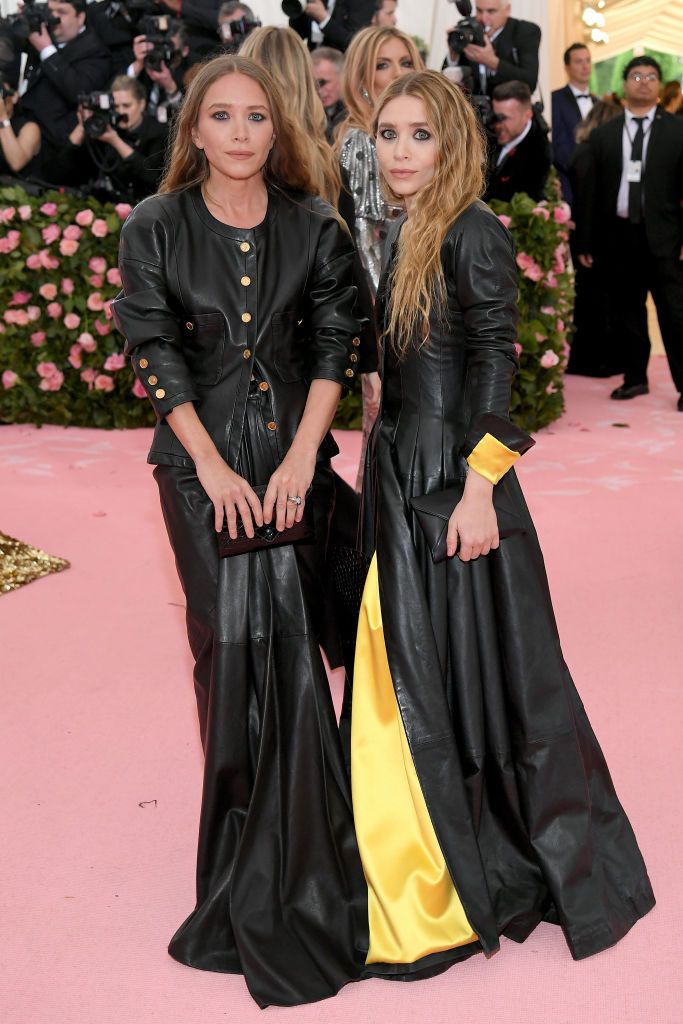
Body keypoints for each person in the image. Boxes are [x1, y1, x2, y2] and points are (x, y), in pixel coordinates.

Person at [350, 67, 655, 983]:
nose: (401, 153)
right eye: (389, 135)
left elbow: (495, 362)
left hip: (454, 475)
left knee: (482, 667)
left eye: (420, 136)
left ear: (452, 145)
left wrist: (480, 490)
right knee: (416, 656)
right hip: (404, 464)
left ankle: (472, 851)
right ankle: (421, 836)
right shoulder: (404, 228)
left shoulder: (472, 230)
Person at [111, 54, 368, 1008]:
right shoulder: (154, 226)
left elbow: (337, 343)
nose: (240, 133)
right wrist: (213, 469)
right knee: (229, 644)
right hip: (198, 467)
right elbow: (155, 350)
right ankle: (234, 863)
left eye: (256, 116)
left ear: (277, 127)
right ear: (194, 130)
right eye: (220, 117)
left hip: (295, 459)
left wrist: (304, 459)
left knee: (298, 648)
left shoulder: (315, 227)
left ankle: (308, 853)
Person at [335, 25, 423, 487]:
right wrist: (378, 322)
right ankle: (381, 543)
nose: (395, 74)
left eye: (405, 62)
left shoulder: (404, 134)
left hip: (413, 295)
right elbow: (366, 241)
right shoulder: (362, 142)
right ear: (361, 76)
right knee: (390, 424)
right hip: (388, 306)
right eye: (383, 64)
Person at [574, 56, 683, 408]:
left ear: (659, 85)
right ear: (625, 84)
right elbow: (592, 191)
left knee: (675, 313)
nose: (644, 82)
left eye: (651, 77)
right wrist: (587, 240)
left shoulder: (677, 131)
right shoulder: (604, 134)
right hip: (618, 237)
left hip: (665, 237)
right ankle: (635, 378)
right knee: (627, 312)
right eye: (636, 75)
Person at [565, 99, 623, 377]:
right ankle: (594, 360)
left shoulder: (585, 150)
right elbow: (587, 200)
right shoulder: (591, 153)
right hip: (592, 237)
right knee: (594, 301)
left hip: (591, 236)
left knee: (594, 300)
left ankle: (597, 358)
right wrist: (585, 244)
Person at [48, 75, 169, 200]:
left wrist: (116, 142)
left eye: (126, 106)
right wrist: (82, 127)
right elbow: (57, 175)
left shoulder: (158, 132)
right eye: (116, 107)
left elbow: (154, 179)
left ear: (142, 104)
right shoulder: (103, 129)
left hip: (141, 207)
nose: (120, 112)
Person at [20, 0, 111, 155]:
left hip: (58, 146)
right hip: (25, 130)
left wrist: (47, 50)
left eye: (61, 12)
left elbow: (78, 91)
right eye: (50, 11)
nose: (53, 17)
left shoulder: (95, 51)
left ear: (80, 17)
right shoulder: (42, 35)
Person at [445, 0, 540, 96]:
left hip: (507, 107)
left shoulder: (525, 31)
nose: (483, 18)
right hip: (472, 107)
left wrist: (492, 62)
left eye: (491, 11)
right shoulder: (468, 28)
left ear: (507, 10)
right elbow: (445, 79)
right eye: (479, 10)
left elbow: (530, 83)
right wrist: (453, 56)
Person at [484, 80, 551, 203]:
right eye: (495, 116)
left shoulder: (538, 154)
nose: (497, 124)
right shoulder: (490, 133)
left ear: (527, 115)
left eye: (503, 118)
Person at [551, 43, 597, 205]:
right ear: (567, 67)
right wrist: (581, 169)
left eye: (588, 60)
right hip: (569, 182)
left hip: (599, 185)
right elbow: (557, 142)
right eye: (578, 62)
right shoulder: (555, 99)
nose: (585, 66)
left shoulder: (597, 102)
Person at [127, 19, 190, 125]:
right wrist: (138, 64)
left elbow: (188, 118)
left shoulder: (192, 73)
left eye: (169, 50)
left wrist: (171, 88)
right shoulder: (146, 62)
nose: (163, 54)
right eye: (159, 47)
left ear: (184, 51)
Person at [289, 0, 376, 54]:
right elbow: (297, 35)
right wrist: (297, 8)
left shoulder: (363, 2)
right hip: (311, 62)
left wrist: (324, 19)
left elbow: (355, 42)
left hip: (341, 69)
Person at [0, 83, 41, 179]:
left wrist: (2, 118)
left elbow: (16, 163)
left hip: (19, 190)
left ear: (14, 96)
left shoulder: (30, 128)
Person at [311, 45, 345, 137]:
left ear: (342, 77)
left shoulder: (360, 112)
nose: (318, 90)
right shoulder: (306, 114)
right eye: (313, 84)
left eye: (322, 82)